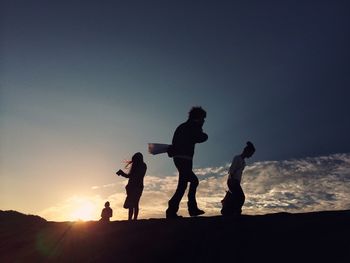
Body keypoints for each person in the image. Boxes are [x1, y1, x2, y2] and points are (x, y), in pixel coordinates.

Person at [166, 106, 208, 219]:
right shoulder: (192, 126)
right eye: (203, 119)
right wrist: (203, 133)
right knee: (193, 181)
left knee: (183, 185)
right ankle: (190, 208)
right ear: (198, 118)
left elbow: (174, 143)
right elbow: (201, 137)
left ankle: (173, 209)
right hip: (184, 159)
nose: (203, 121)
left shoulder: (182, 126)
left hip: (181, 159)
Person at [221, 141, 256, 216]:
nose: (251, 156)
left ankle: (227, 209)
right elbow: (232, 169)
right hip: (232, 181)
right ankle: (236, 211)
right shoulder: (237, 158)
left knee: (236, 197)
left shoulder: (243, 162)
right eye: (251, 153)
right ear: (247, 151)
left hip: (236, 181)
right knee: (241, 197)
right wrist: (232, 179)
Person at [116, 152, 147, 220]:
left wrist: (123, 174)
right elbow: (130, 176)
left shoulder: (142, 166)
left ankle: (133, 219)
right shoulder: (140, 166)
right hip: (133, 187)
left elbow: (135, 176)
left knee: (135, 203)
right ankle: (130, 219)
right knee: (132, 204)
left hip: (137, 187)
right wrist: (122, 173)